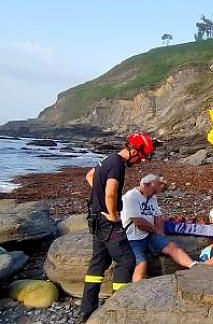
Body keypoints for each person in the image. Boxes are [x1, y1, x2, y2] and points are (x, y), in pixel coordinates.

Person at [80, 133, 154, 323]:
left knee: (98, 262)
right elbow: (111, 192)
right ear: (134, 151)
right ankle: (116, 308)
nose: (140, 162)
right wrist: (112, 214)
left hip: (95, 218)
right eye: (141, 157)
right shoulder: (118, 164)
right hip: (107, 222)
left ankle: (87, 311)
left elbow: (90, 176)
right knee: (127, 261)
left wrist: (99, 193)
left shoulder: (107, 160)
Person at [121, 173, 195, 282]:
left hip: (149, 235)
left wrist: (160, 232)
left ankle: (194, 266)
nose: (155, 193)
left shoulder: (151, 197)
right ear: (146, 185)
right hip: (132, 239)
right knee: (141, 264)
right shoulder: (130, 197)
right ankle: (135, 291)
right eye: (154, 190)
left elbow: (158, 217)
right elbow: (138, 222)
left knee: (171, 247)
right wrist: (156, 230)